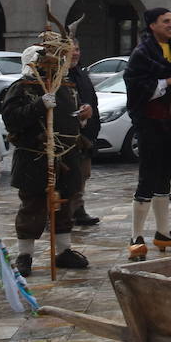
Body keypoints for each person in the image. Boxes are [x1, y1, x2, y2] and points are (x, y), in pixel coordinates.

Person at [1, 37, 89, 278]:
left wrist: (82, 116)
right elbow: (12, 119)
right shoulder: (21, 88)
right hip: (35, 157)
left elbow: (71, 117)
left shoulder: (65, 86)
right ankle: (25, 255)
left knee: (64, 205)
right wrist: (39, 105)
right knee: (32, 206)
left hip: (65, 158)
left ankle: (63, 251)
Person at [123, 8, 171, 260]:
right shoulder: (141, 54)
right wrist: (170, 80)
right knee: (147, 178)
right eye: (166, 21)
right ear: (152, 25)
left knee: (164, 178)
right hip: (149, 124)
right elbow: (137, 87)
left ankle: (163, 233)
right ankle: (135, 237)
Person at [67, 39, 101, 227]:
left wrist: (93, 120)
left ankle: (78, 209)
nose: (75, 53)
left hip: (85, 135)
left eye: (77, 49)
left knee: (82, 174)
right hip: (67, 136)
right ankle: (58, 213)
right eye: (71, 50)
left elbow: (92, 100)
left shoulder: (81, 73)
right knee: (67, 177)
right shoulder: (58, 75)